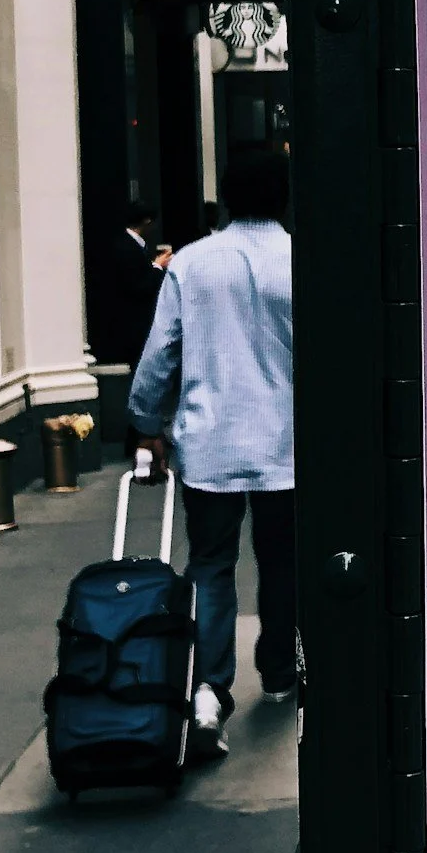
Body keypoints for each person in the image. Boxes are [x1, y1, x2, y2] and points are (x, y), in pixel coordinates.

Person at [129, 143, 296, 759]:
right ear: (285, 195)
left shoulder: (191, 266)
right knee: (284, 565)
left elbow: (159, 355)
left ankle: (207, 693)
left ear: (226, 196)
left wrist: (147, 421)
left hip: (211, 445)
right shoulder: (302, 261)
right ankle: (280, 671)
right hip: (287, 447)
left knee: (211, 567)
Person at [105, 201, 171, 372]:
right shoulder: (128, 247)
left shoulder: (127, 244)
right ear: (147, 221)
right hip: (133, 322)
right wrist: (157, 266)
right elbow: (140, 286)